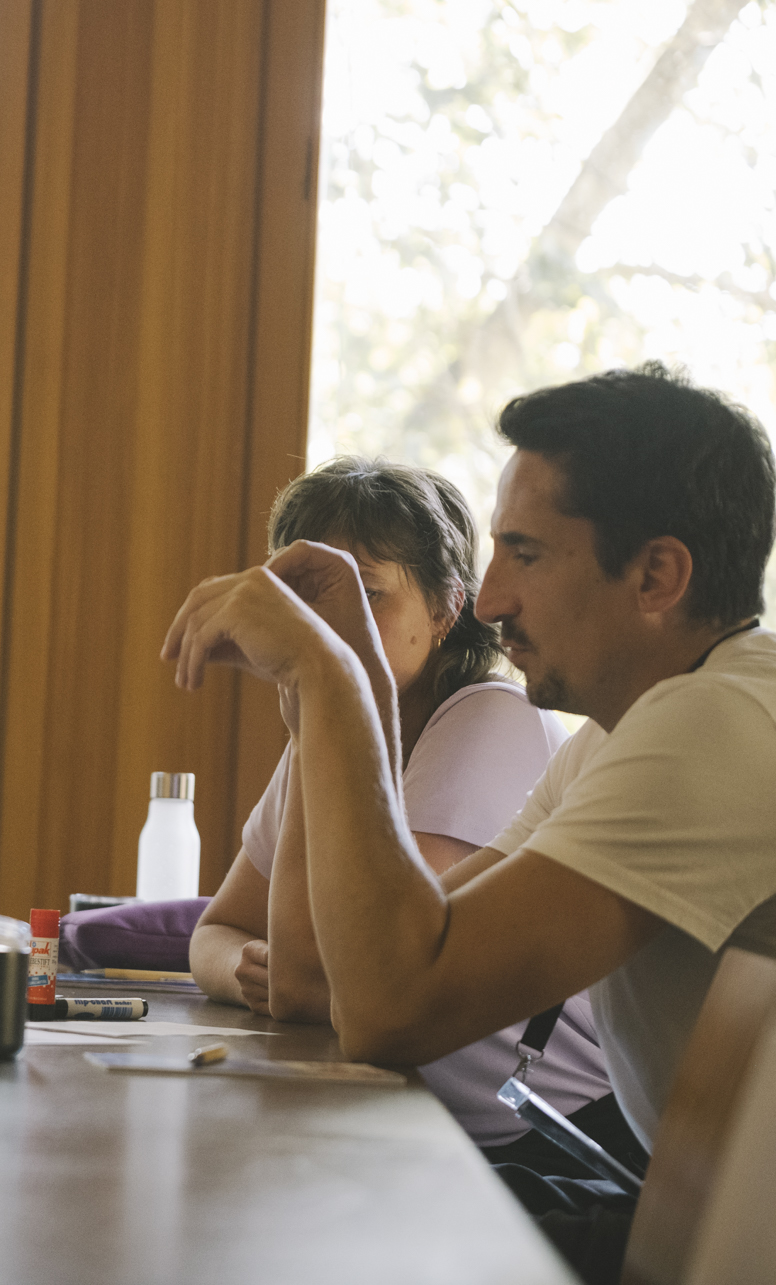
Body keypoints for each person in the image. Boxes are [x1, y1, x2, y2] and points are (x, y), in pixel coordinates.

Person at [162, 363, 776, 1284]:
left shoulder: (716, 722)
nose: (488, 601)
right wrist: (347, 677)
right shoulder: (616, 736)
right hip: (673, 1215)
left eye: (525, 554)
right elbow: (345, 971)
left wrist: (332, 678)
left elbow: (392, 1007)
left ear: (657, 575)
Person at [190, 457, 632, 1169]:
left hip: (542, 1144)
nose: (325, 624)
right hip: (419, 1123)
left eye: (366, 594)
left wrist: (321, 694)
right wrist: (245, 964)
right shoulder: (333, 728)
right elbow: (217, 928)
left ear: (445, 609)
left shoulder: (491, 718)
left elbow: (317, 979)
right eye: (301, 597)